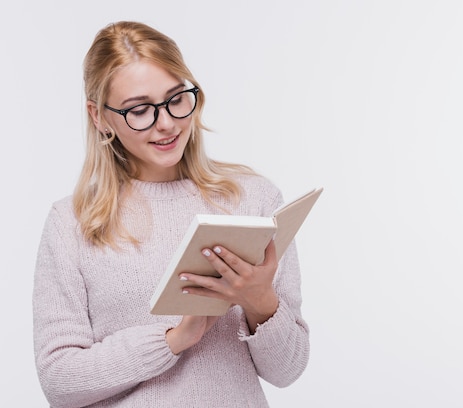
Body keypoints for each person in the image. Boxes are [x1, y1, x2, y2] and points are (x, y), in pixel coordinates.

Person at [32, 21, 309, 407]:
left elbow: (288, 371)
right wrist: (173, 340)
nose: (166, 123)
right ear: (99, 117)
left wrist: (261, 302)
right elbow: (59, 380)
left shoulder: (253, 200)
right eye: (140, 110)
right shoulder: (72, 223)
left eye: (177, 98)